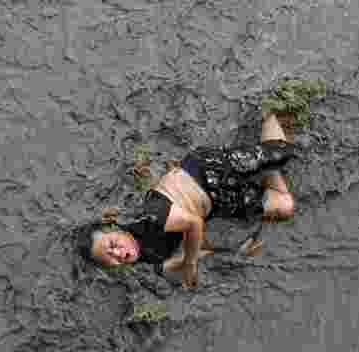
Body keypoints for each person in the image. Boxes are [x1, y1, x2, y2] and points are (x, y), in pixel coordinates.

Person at [77, 111, 300, 289]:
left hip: (208, 171)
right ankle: (266, 168)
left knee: (286, 152)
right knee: (285, 206)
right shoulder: (155, 262)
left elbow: (194, 224)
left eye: (113, 245)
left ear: (115, 228)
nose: (119, 254)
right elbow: (199, 252)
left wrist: (190, 264)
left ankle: (267, 112)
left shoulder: (153, 215)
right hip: (219, 202)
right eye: (112, 259)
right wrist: (237, 253)